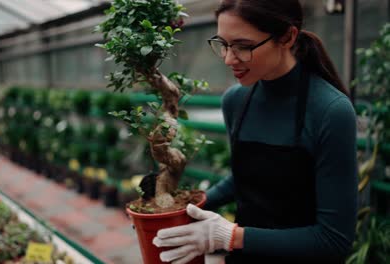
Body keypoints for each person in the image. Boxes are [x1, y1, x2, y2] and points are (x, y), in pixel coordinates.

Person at [152, 0, 357, 263]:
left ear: (287, 36)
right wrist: (178, 211)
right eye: (223, 44)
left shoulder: (331, 111)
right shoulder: (235, 101)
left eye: (243, 47)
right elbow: (246, 178)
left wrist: (229, 236)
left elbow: (333, 240)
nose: (228, 59)